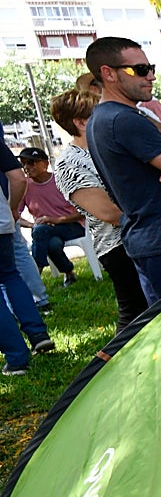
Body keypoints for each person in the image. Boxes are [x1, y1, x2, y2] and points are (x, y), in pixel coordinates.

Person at [85, 36, 161, 304]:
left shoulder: (103, 118)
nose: (150, 76)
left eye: (151, 67)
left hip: (151, 242)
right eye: (140, 70)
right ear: (108, 74)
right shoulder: (123, 120)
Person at [49, 86, 149, 333]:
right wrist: (151, 218)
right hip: (119, 246)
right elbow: (107, 212)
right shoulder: (68, 163)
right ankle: (117, 365)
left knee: (151, 309)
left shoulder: (105, 147)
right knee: (135, 316)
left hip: (141, 235)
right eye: (100, 114)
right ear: (81, 123)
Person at [0, 132, 54, 374]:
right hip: (1, 222)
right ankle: (37, 332)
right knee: (11, 276)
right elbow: (18, 178)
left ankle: (16, 356)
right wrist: (10, 209)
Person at [15, 148, 84, 286]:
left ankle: (36, 274)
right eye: (23, 163)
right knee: (52, 244)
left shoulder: (61, 181)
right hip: (44, 230)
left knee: (41, 232)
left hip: (73, 225)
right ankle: (69, 273)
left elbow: (83, 211)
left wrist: (56, 220)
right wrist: (32, 225)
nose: (26, 167)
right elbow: (14, 214)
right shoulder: (25, 186)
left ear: (45, 164)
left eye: (31, 163)